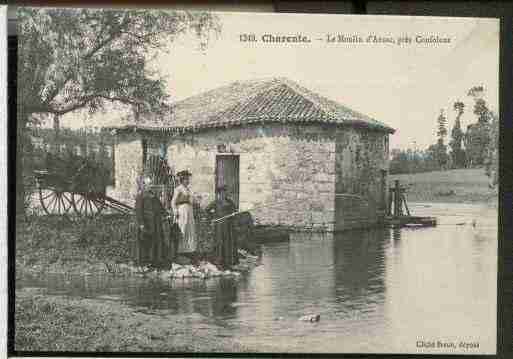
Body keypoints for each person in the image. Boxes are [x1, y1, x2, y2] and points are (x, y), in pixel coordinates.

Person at [135, 177, 167, 269]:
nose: (150, 186)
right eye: (148, 185)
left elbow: (160, 207)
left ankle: (155, 261)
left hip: (156, 222)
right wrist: (141, 224)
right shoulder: (141, 196)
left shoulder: (153, 195)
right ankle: (144, 262)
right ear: (144, 185)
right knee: (145, 242)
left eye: (150, 185)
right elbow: (138, 211)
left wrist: (165, 214)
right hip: (147, 222)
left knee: (156, 241)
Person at [206, 185, 238, 267]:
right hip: (219, 225)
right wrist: (213, 217)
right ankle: (219, 260)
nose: (224, 194)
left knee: (228, 241)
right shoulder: (216, 202)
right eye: (222, 192)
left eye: (225, 192)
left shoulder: (230, 202)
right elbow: (207, 210)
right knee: (220, 241)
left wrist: (234, 214)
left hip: (228, 225)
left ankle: (229, 261)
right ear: (219, 193)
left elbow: (235, 210)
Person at [171, 170, 198, 260]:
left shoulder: (189, 190)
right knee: (183, 228)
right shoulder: (178, 189)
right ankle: (180, 251)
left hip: (189, 211)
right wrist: (175, 211)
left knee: (190, 229)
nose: (187, 181)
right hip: (182, 211)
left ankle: (189, 250)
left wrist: (194, 200)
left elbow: (191, 201)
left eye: (188, 179)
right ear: (182, 180)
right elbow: (173, 202)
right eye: (186, 179)